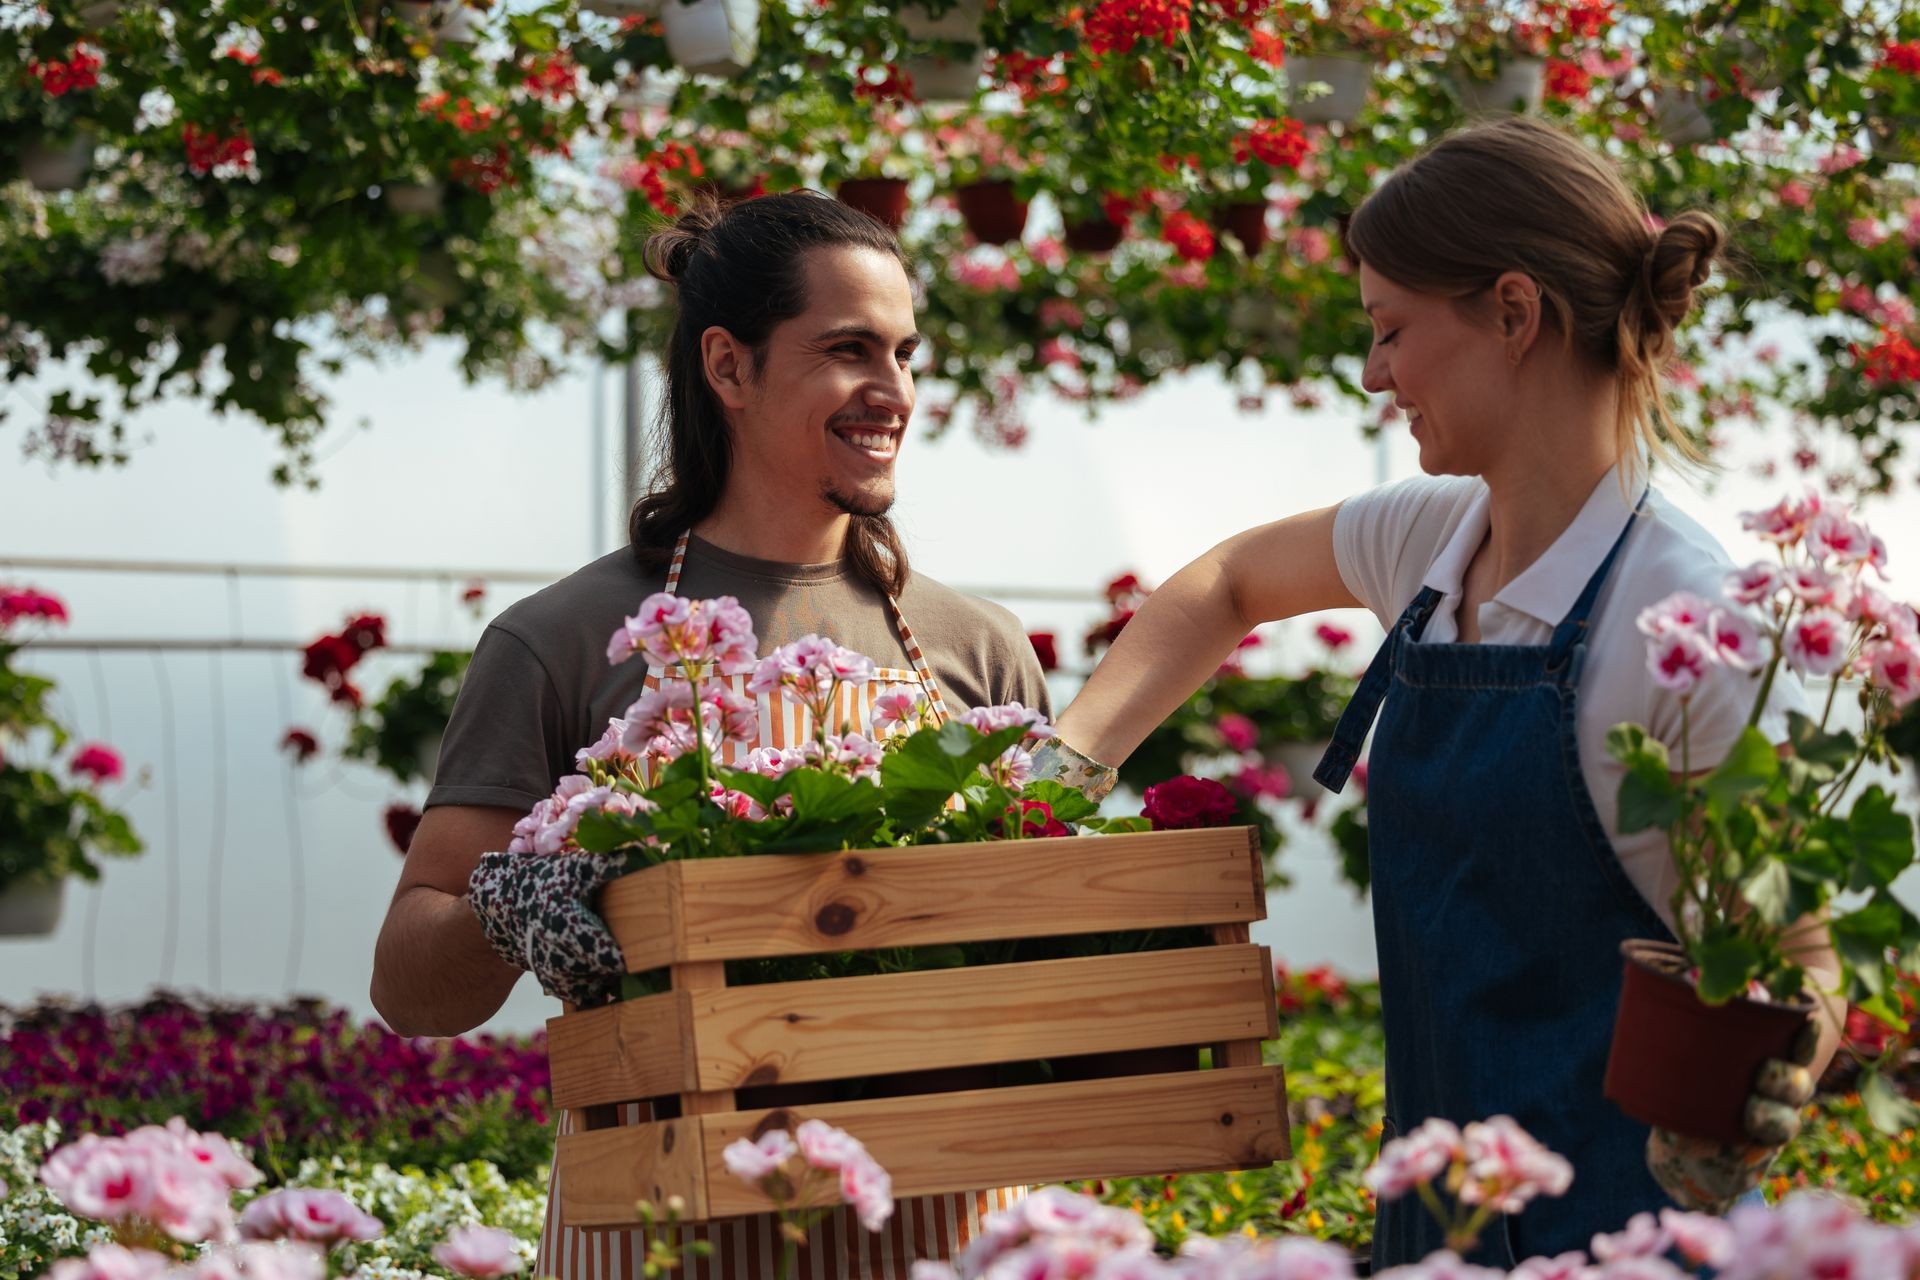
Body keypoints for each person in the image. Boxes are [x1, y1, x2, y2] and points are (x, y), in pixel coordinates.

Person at [1035, 117, 1843, 1269]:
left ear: (1514, 312)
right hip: (1433, 1219)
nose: (1372, 371)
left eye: (1391, 328)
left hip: (1614, 1243)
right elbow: (1222, 583)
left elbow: (1802, 955)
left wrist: (1781, 1070)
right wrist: (1072, 758)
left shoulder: (1681, 624)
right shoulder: (1434, 535)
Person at [369, 190, 1050, 1280]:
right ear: (728, 368)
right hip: (661, 1233)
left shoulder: (978, 648)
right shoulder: (565, 638)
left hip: (944, 1227)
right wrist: (524, 896)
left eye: (907, 353)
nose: (895, 392)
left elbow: (1038, 964)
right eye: (848, 350)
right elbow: (409, 983)